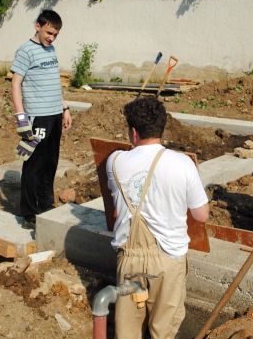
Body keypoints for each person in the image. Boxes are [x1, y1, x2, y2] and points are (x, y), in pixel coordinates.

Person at [106, 96, 209, 339]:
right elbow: (201, 215)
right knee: (163, 331)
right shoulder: (182, 164)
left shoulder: (115, 161)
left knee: (127, 331)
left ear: (133, 132)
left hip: (129, 258)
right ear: (162, 128)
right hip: (168, 259)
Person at [10, 9, 72, 229]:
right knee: (33, 163)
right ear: (38, 26)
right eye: (48, 33)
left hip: (54, 115)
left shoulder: (51, 49)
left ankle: (45, 206)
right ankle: (28, 211)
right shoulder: (25, 51)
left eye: (55, 34)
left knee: (50, 162)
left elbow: (54, 82)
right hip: (36, 117)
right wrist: (20, 116)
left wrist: (65, 107)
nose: (51, 38)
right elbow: (15, 83)